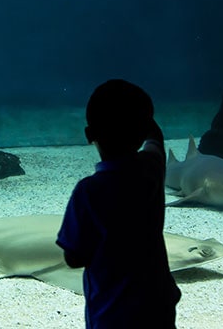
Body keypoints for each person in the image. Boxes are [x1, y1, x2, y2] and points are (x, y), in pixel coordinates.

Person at [57, 79, 181, 328]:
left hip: (112, 315)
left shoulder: (89, 191)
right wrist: (144, 119)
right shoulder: (152, 169)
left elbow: (74, 257)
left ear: (89, 135)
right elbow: (156, 139)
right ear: (144, 126)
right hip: (158, 309)